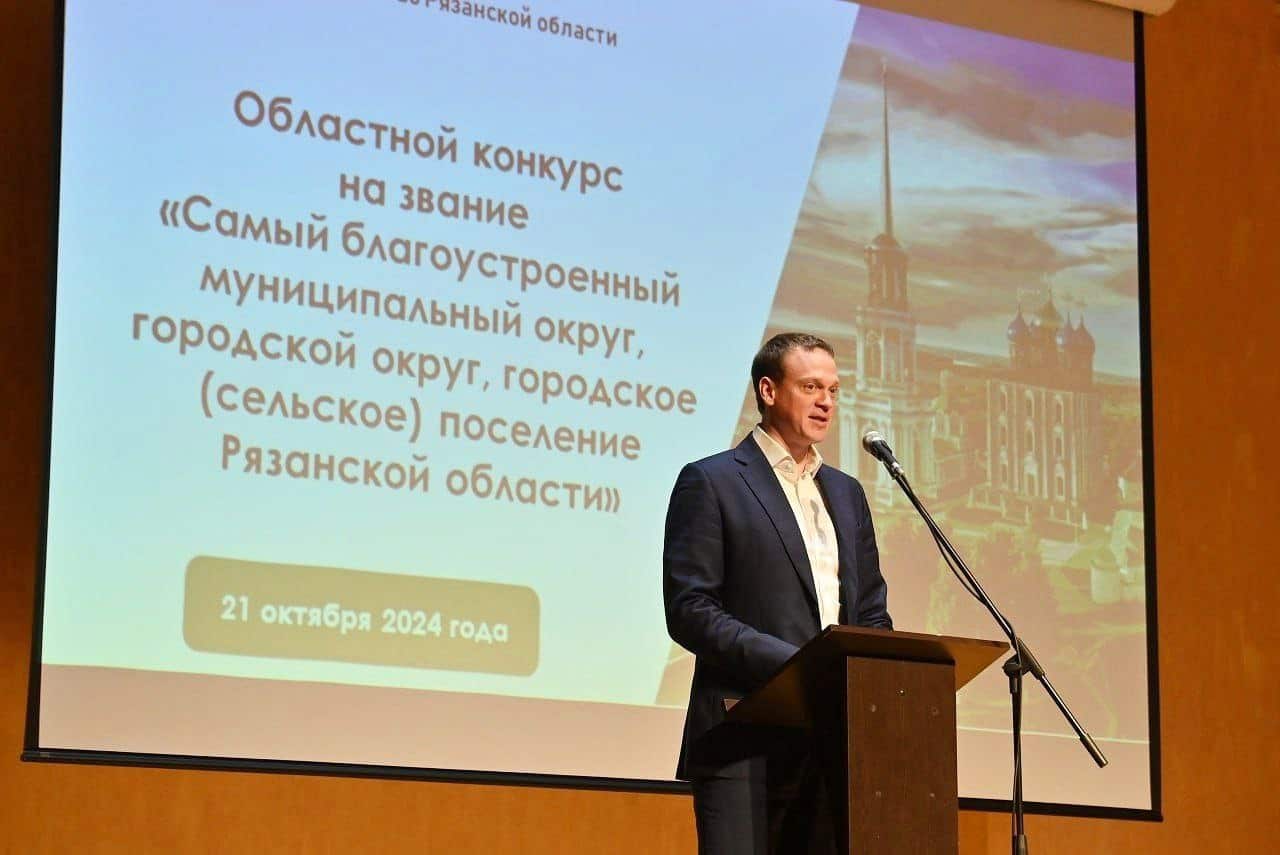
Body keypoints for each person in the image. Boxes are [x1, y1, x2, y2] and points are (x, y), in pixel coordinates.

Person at [663, 332, 892, 854]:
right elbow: (691, 610)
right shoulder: (712, 482)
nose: (826, 402)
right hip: (742, 736)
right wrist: (798, 667)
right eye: (811, 387)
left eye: (833, 390)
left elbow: (871, 612)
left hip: (831, 744)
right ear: (768, 391)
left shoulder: (847, 493)